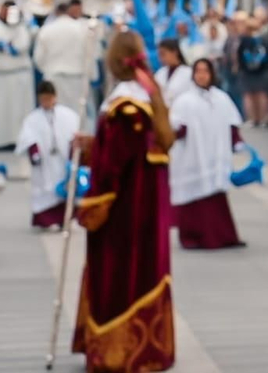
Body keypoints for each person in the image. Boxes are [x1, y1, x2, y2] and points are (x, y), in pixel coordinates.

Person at [71, 29, 176, 373]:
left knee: (121, 276)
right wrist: (94, 144)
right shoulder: (147, 98)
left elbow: (112, 167)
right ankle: (149, 349)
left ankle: (121, 352)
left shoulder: (123, 108)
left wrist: (91, 205)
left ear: (113, 62)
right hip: (149, 208)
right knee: (146, 271)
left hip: (124, 212)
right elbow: (123, 151)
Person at [168, 58, 244, 249]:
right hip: (193, 157)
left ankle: (223, 237)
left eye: (205, 71)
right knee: (194, 198)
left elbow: (232, 123)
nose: (201, 75)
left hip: (215, 155)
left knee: (216, 197)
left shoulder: (221, 98)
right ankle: (194, 237)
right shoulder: (185, 101)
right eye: (198, 71)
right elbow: (178, 127)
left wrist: (237, 142)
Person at [16, 80, 80, 230]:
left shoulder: (68, 115)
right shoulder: (32, 118)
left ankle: (66, 220)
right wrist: (34, 153)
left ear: (55, 97)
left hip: (63, 160)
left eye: (48, 98)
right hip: (45, 163)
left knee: (66, 188)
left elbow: (74, 136)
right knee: (45, 191)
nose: (46, 102)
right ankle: (47, 220)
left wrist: (74, 156)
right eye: (42, 99)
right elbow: (28, 138)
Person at [0, 1, 35, 149]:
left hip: (20, 75)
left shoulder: (22, 27)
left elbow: (22, 46)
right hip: (0, 76)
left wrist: (6, 45)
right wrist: (4, 45)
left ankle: (21, 141)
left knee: (20, 111)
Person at [34, 2, 93, 125]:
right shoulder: (82, 28)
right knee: (77, 114)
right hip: (77, 78)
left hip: (53, 77)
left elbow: (38, 59)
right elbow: (90, 55)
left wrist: (48, 69)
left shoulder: (46, 29)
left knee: (54, 116)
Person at [154, 38, 193, 108]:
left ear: (175, 52)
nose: (161, 58)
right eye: (159, 55)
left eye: (163, 54)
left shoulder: (189, 73)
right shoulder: (160, 73)